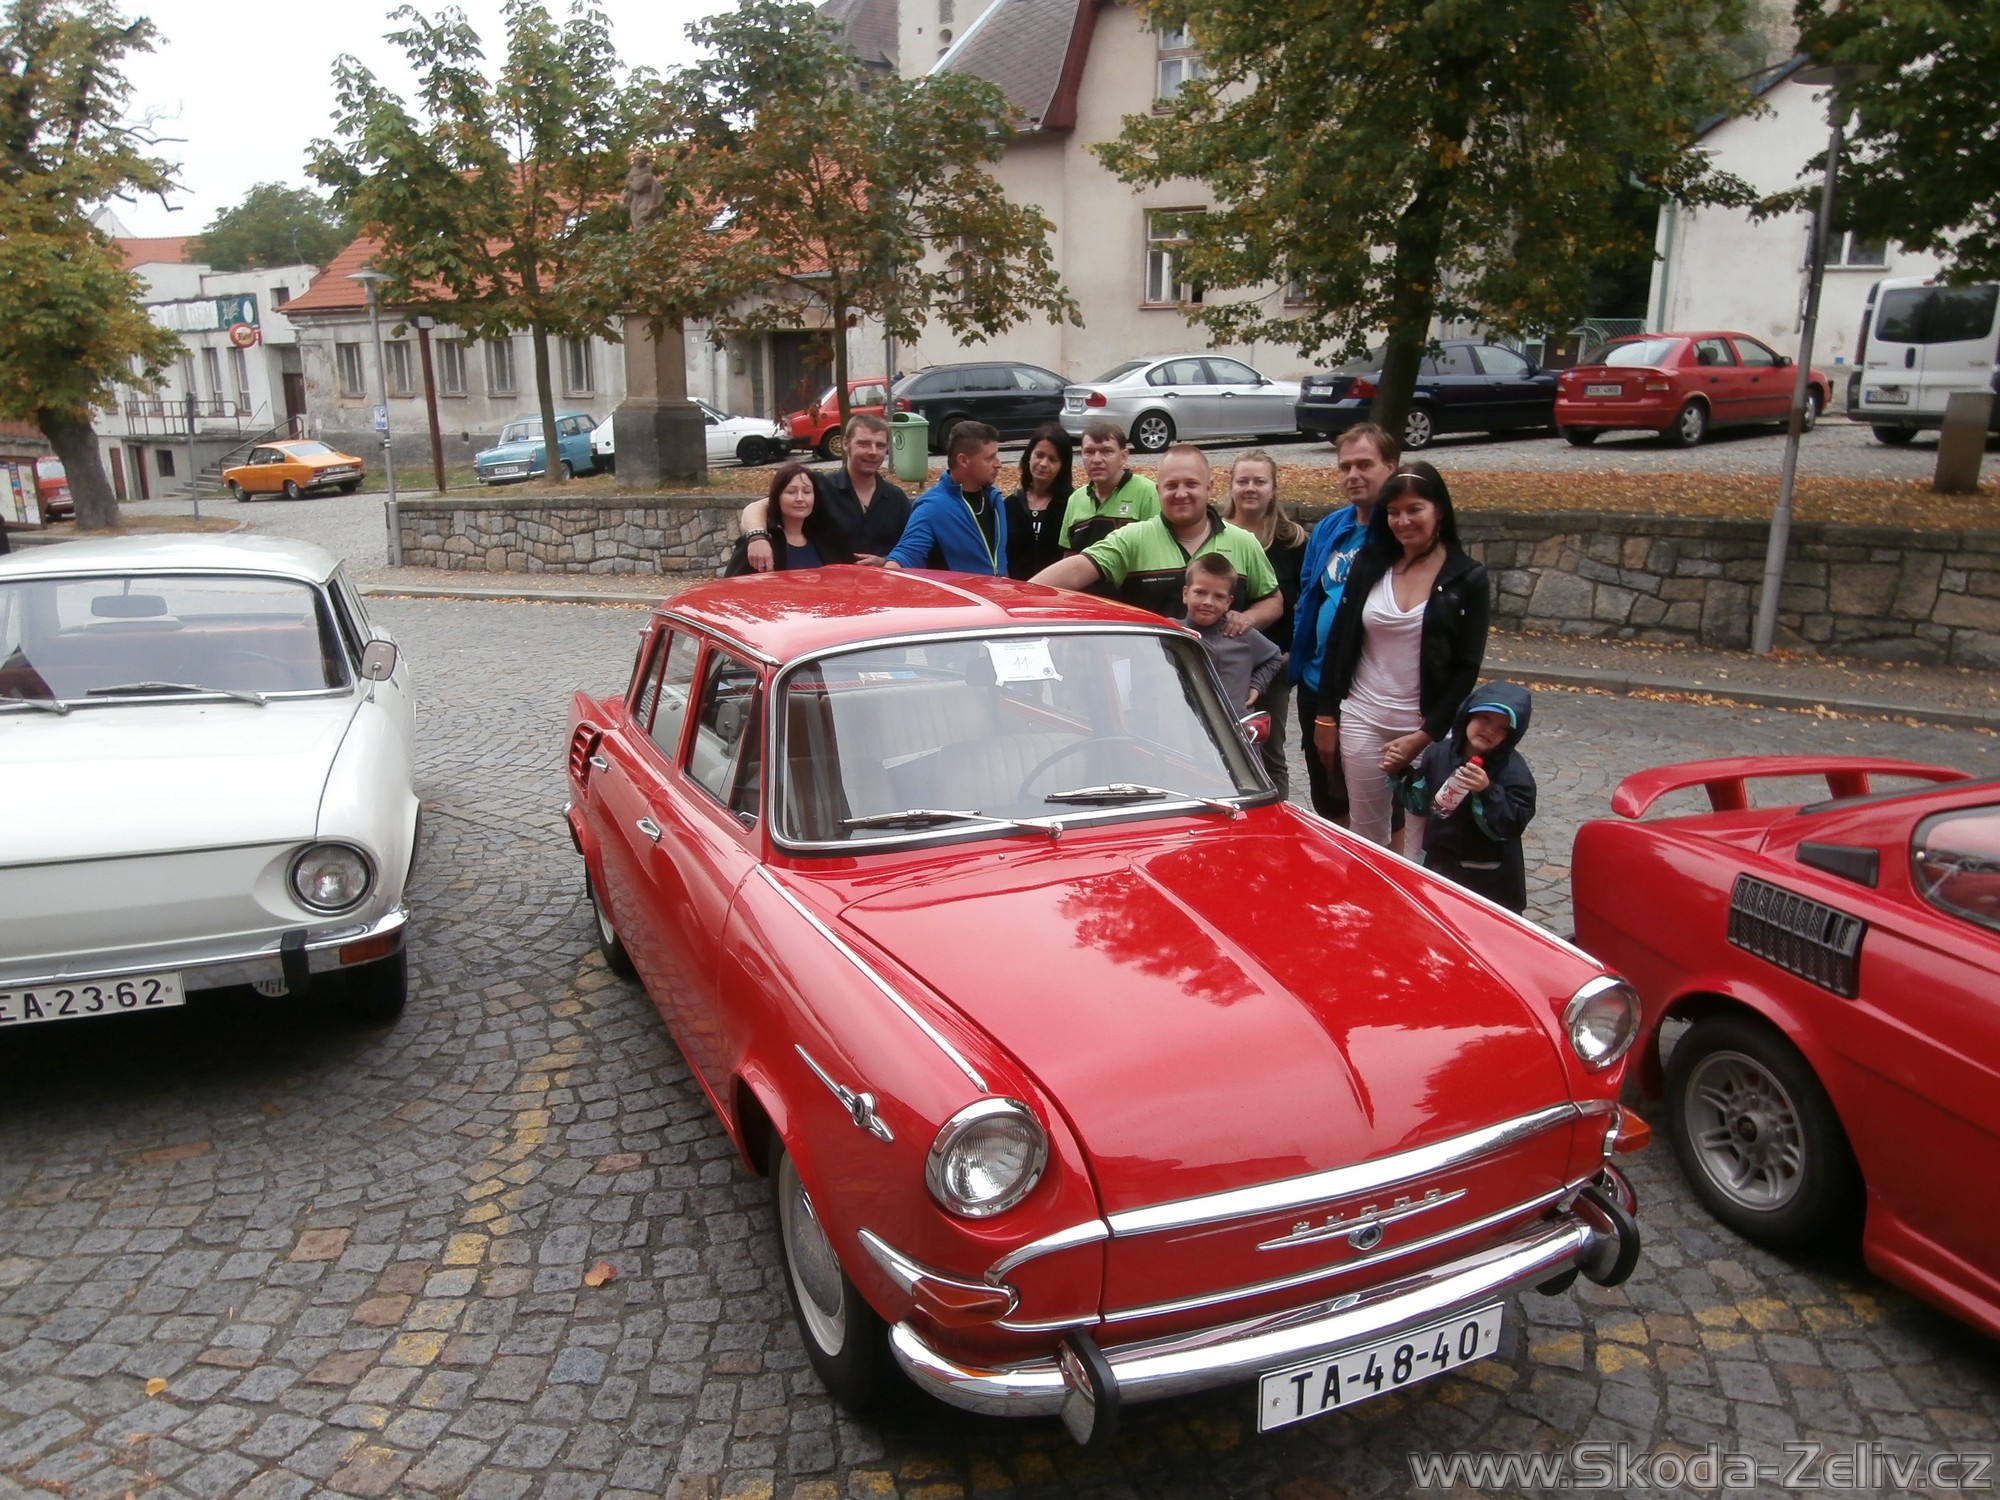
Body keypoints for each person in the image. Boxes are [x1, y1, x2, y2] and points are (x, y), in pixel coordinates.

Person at [1314, 462, 1490, 850]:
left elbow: (1467, 668)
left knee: (1423, 838)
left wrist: (1426, 736)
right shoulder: (1370, 563)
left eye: (1414, 509)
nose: (1403, 521)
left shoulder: (1467, 578)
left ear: (1438, 510)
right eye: (1393, 512)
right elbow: (1339, 640)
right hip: (1363, 716)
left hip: (1426, 725)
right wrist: (1325, 713)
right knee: (1366, 832)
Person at [1032, 444, 1281, 632]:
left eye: (1191, 484)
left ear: (1209, 487)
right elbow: (1076, 570)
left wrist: (1249, 618)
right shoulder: (1134, 539)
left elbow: (1273, 600)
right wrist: (1020, 597)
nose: (1181, 494)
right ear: (1158, 489)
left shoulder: (1243, 542)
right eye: (1171, 486)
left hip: (1221, 677)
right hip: (1150, 674)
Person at [1290, 423, 1399, 823]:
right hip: (1317, 682)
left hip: (1370, 690)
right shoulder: (1330, 528)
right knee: (1328, 796)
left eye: (1364, 464)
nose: (1353, 475)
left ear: (1391, 466)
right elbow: (1308, 595)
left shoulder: (1399, 530)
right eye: (1345, 466)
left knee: (1382, 806)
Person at [1396, 683, 1537, 913]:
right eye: (1485, 718)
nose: (1489, 730)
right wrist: (1399, 772)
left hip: (1486, 881)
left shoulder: (1514, 772)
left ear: (1511, 736)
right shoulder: (1439, 753)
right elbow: (1421, 803)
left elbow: (1512, 822)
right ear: (1467, 715)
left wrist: (1487, 791)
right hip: (1439, 865)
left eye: (1502, 728)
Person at [1218, 449, 1307, 795]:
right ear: (1231, 486)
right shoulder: (1215, 534)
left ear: (1273, 488)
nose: (1250, 488)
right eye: (1243, 481)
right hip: (1221, 661)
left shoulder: (1292, 540)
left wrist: (1293, 654)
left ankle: (1276, 811)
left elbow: (1306, 602)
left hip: (1273, 663)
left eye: (1259, 481)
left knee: (1269, 751)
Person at [739, 412, 908, 570]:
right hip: (829, 588)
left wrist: (886, 561)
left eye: (880, 445)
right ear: (845, 444)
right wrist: (757, 538)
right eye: (863, 444)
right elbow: (755, 508)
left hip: (878, 588)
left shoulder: (897, 499)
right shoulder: (818, 486)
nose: (873, 452)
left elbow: (911, 547)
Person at [886, 421, 1009, 575]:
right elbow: (904, 556)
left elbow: (1000, 561)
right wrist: (886, 580)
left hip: (998, 590)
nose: (998, 464)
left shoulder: (994, 499)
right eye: (990, 458)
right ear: (963, 460)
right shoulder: (933, 507)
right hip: (960, 591)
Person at [1179, 554, 1283, 713]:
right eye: (1200, 592)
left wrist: (1257, 684)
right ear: (1186, 594)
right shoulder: (1169, 632)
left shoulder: (1240, 634)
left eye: (1219, 596)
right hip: (1184, 721)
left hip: (1233, 725)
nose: (1208, 602)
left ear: (1228, 602)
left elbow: (1274, 656)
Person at [725, 463, 856, 574]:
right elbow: (731, 586)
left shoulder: (825, 540)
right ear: (777, 497)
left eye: (807, 492)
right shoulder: (759, 545)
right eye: (791, 492)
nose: (800, 498)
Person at [1058, 421, 1158, 552]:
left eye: (1106, 451)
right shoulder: (1075, 499)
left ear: (1123, 456)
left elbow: (1158, 549)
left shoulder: (1147, 492)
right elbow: (1070, 554)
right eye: (1089, 452)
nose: (1097, 460)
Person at [1005, 425, 1073, 580]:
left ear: (1062, 466)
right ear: (1029, 456)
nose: (1043, 464)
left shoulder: (1071, 503)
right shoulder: (1010, 504)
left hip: (1057, 589)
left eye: (1052, 459)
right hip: (1016, 589)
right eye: (1039, 455)